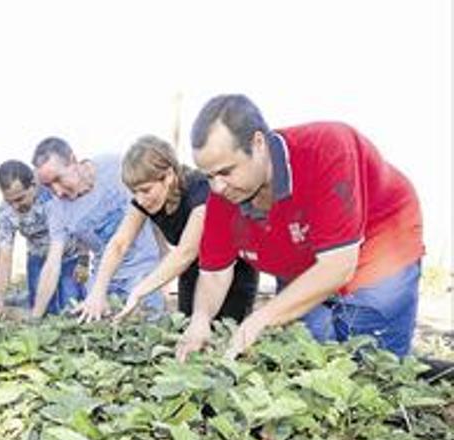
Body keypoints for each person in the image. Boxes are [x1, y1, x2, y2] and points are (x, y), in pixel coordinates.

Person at [177, 94, 424, 361]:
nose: (217, 187)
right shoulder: (224, 193)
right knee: (308, 357)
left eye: (225, 172)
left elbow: (337, 266)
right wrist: (200, 320)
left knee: (372, 361)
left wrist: (261, 318)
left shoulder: (328, 149)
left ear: (258, 143)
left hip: (377, 249)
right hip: (302, 259)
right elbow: (214, 274)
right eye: (209, 176)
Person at [75, 135, 258, 323]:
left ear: (169, 176)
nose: (140, 199)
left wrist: (139, 291)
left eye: (145, 190)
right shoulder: (145, 200)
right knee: (187, 331)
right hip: (193, 269)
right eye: (134, 191)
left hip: (232, 271)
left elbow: (185, 252)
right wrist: (98, 291)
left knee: (224, 335)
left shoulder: (201, 193)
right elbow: (119, 243)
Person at [30, 137, 162, 318]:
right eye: (48, 186)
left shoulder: (117, 167)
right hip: (102, 282)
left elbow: (155, 209)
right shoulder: (56, 209)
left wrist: (165, 259)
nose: (57, 192)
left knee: (149, 333)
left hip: (142, 274)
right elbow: (52, 263)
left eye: (58, 179)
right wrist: (36, 316)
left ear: (73, 160)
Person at [0, 160, 87, 315]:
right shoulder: (5, 213)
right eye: (9, 201)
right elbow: (4, 257)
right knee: (39, 306)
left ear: (34, 185)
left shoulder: (54, 195)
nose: (15, 206)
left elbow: (81, 224)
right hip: (38, 256)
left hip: (69, 256)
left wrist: (83, 260)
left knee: (71, 304)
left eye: (20, 199)